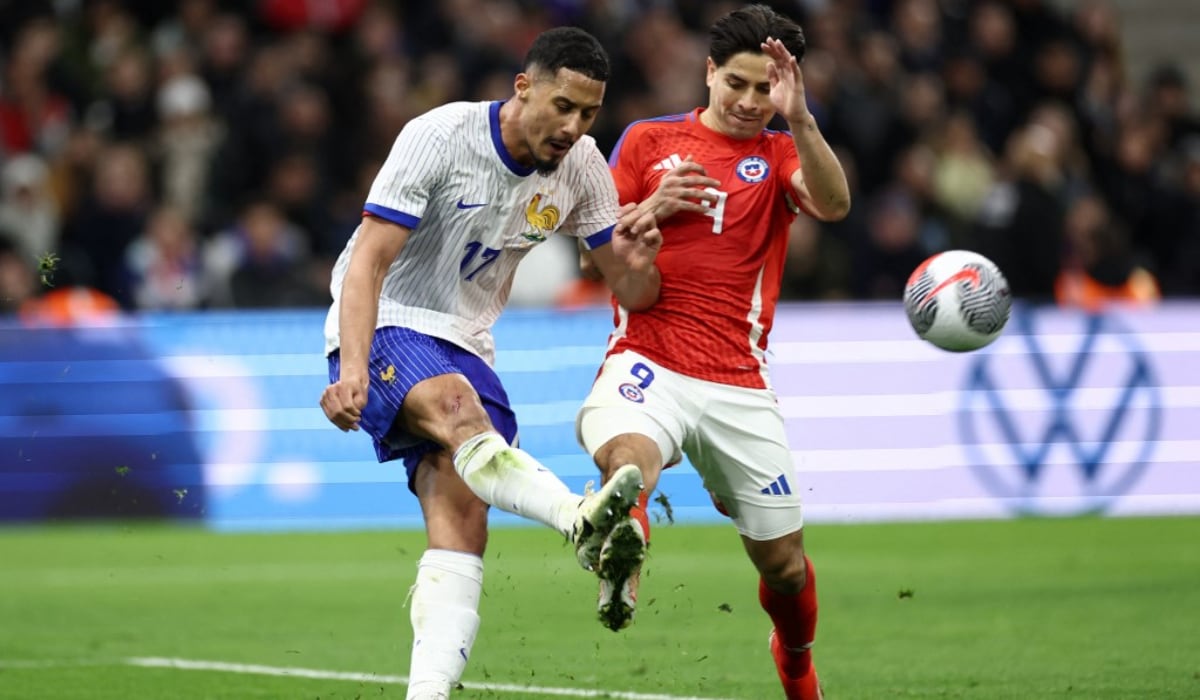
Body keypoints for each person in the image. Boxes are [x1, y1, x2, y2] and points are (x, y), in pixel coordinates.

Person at [318, 27, 661, 700]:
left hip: (469, 340)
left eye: (588, 113)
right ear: (523, 87)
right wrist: (351, 367)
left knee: (462, 523)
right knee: (457, 411)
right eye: (562, 106)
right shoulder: (441, 137)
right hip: (388, 317)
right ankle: (579, 518)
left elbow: (632, 288)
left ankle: (428, 694)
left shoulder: (584, 167)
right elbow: (370, 260)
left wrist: (646, 251)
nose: (573, 126)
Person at [575, 6, 850, 700]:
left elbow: (834, 204)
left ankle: (794, 658)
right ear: (708, 72)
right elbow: (599, 260)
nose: (751, 102)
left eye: (766, 90)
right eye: (738, 84)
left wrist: (803, 119)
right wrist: (648, 211)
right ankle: (624, 542)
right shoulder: (646, 142)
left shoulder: (783, 151)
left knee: (784, 567)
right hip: (649, 354)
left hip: (737, 380)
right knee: (630, 457)